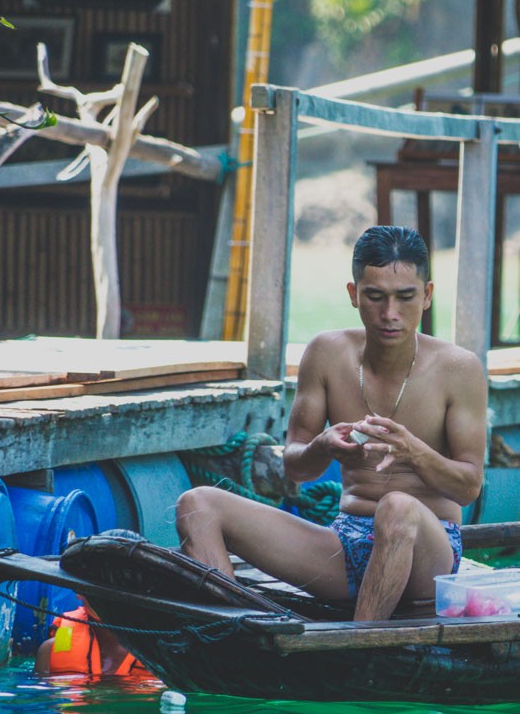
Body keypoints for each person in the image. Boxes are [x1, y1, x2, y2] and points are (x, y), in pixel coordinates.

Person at [176, 226, 487, 621]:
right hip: (346, 542)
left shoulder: (459, 368)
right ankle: (233, 633)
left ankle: (357, 646)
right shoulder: (326, 352)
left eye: (405, 297)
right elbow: (295, 466)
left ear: (426, 296)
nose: (390, 313)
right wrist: (322, 445)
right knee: (197, 504)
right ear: (354, 294)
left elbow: (469, 487)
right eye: (375, 296)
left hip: (428, 555)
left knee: (396, 507)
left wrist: (414, 451)